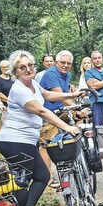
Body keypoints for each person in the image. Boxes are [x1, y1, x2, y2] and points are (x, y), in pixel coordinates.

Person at [0, 50, 83, 206]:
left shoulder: (33, 84)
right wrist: (67, 127)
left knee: (39, 176)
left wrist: (72, 96)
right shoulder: (19, 89)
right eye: (22, 67)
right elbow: (42, 111)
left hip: (25, 141)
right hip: (14, 141)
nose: (28, 69)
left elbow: (48, 96)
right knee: (27, 179)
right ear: (15, 72)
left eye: (30, 65)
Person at [39, 50, 77, 188]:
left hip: (60, 111)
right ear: (56, 63)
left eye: (68, 63)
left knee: (80, 121)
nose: (65, 65)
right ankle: (48, 177)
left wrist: (79, 110)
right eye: (63, 62)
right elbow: (60, 95)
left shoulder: (67, 74)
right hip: (47, 112)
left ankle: (77, 160)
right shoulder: (51, 74)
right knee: (46, 144)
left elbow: (65, 93)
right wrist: (77, 107)